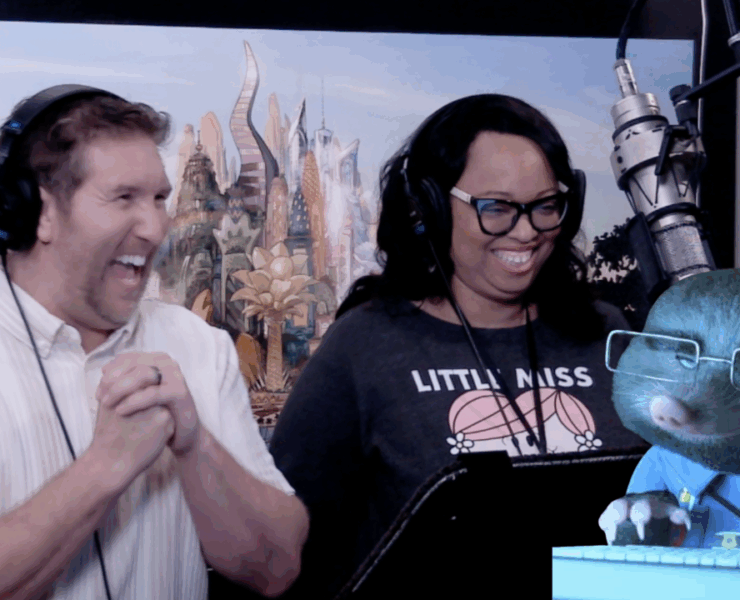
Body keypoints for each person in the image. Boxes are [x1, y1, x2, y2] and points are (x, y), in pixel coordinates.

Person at [269, 94, 649, 597]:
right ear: (428, 208)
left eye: (545, 206)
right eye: (497, 208)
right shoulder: (363, 346)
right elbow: (287, 550)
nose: (526, 232)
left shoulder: (607, 333)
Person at [0, 86, 308, 600]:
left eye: (160, 199)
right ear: (39, 210)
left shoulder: (198, 343)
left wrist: (195, 445)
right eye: (124, 197)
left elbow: (276, 568)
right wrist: (106, 467)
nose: (155, 227)